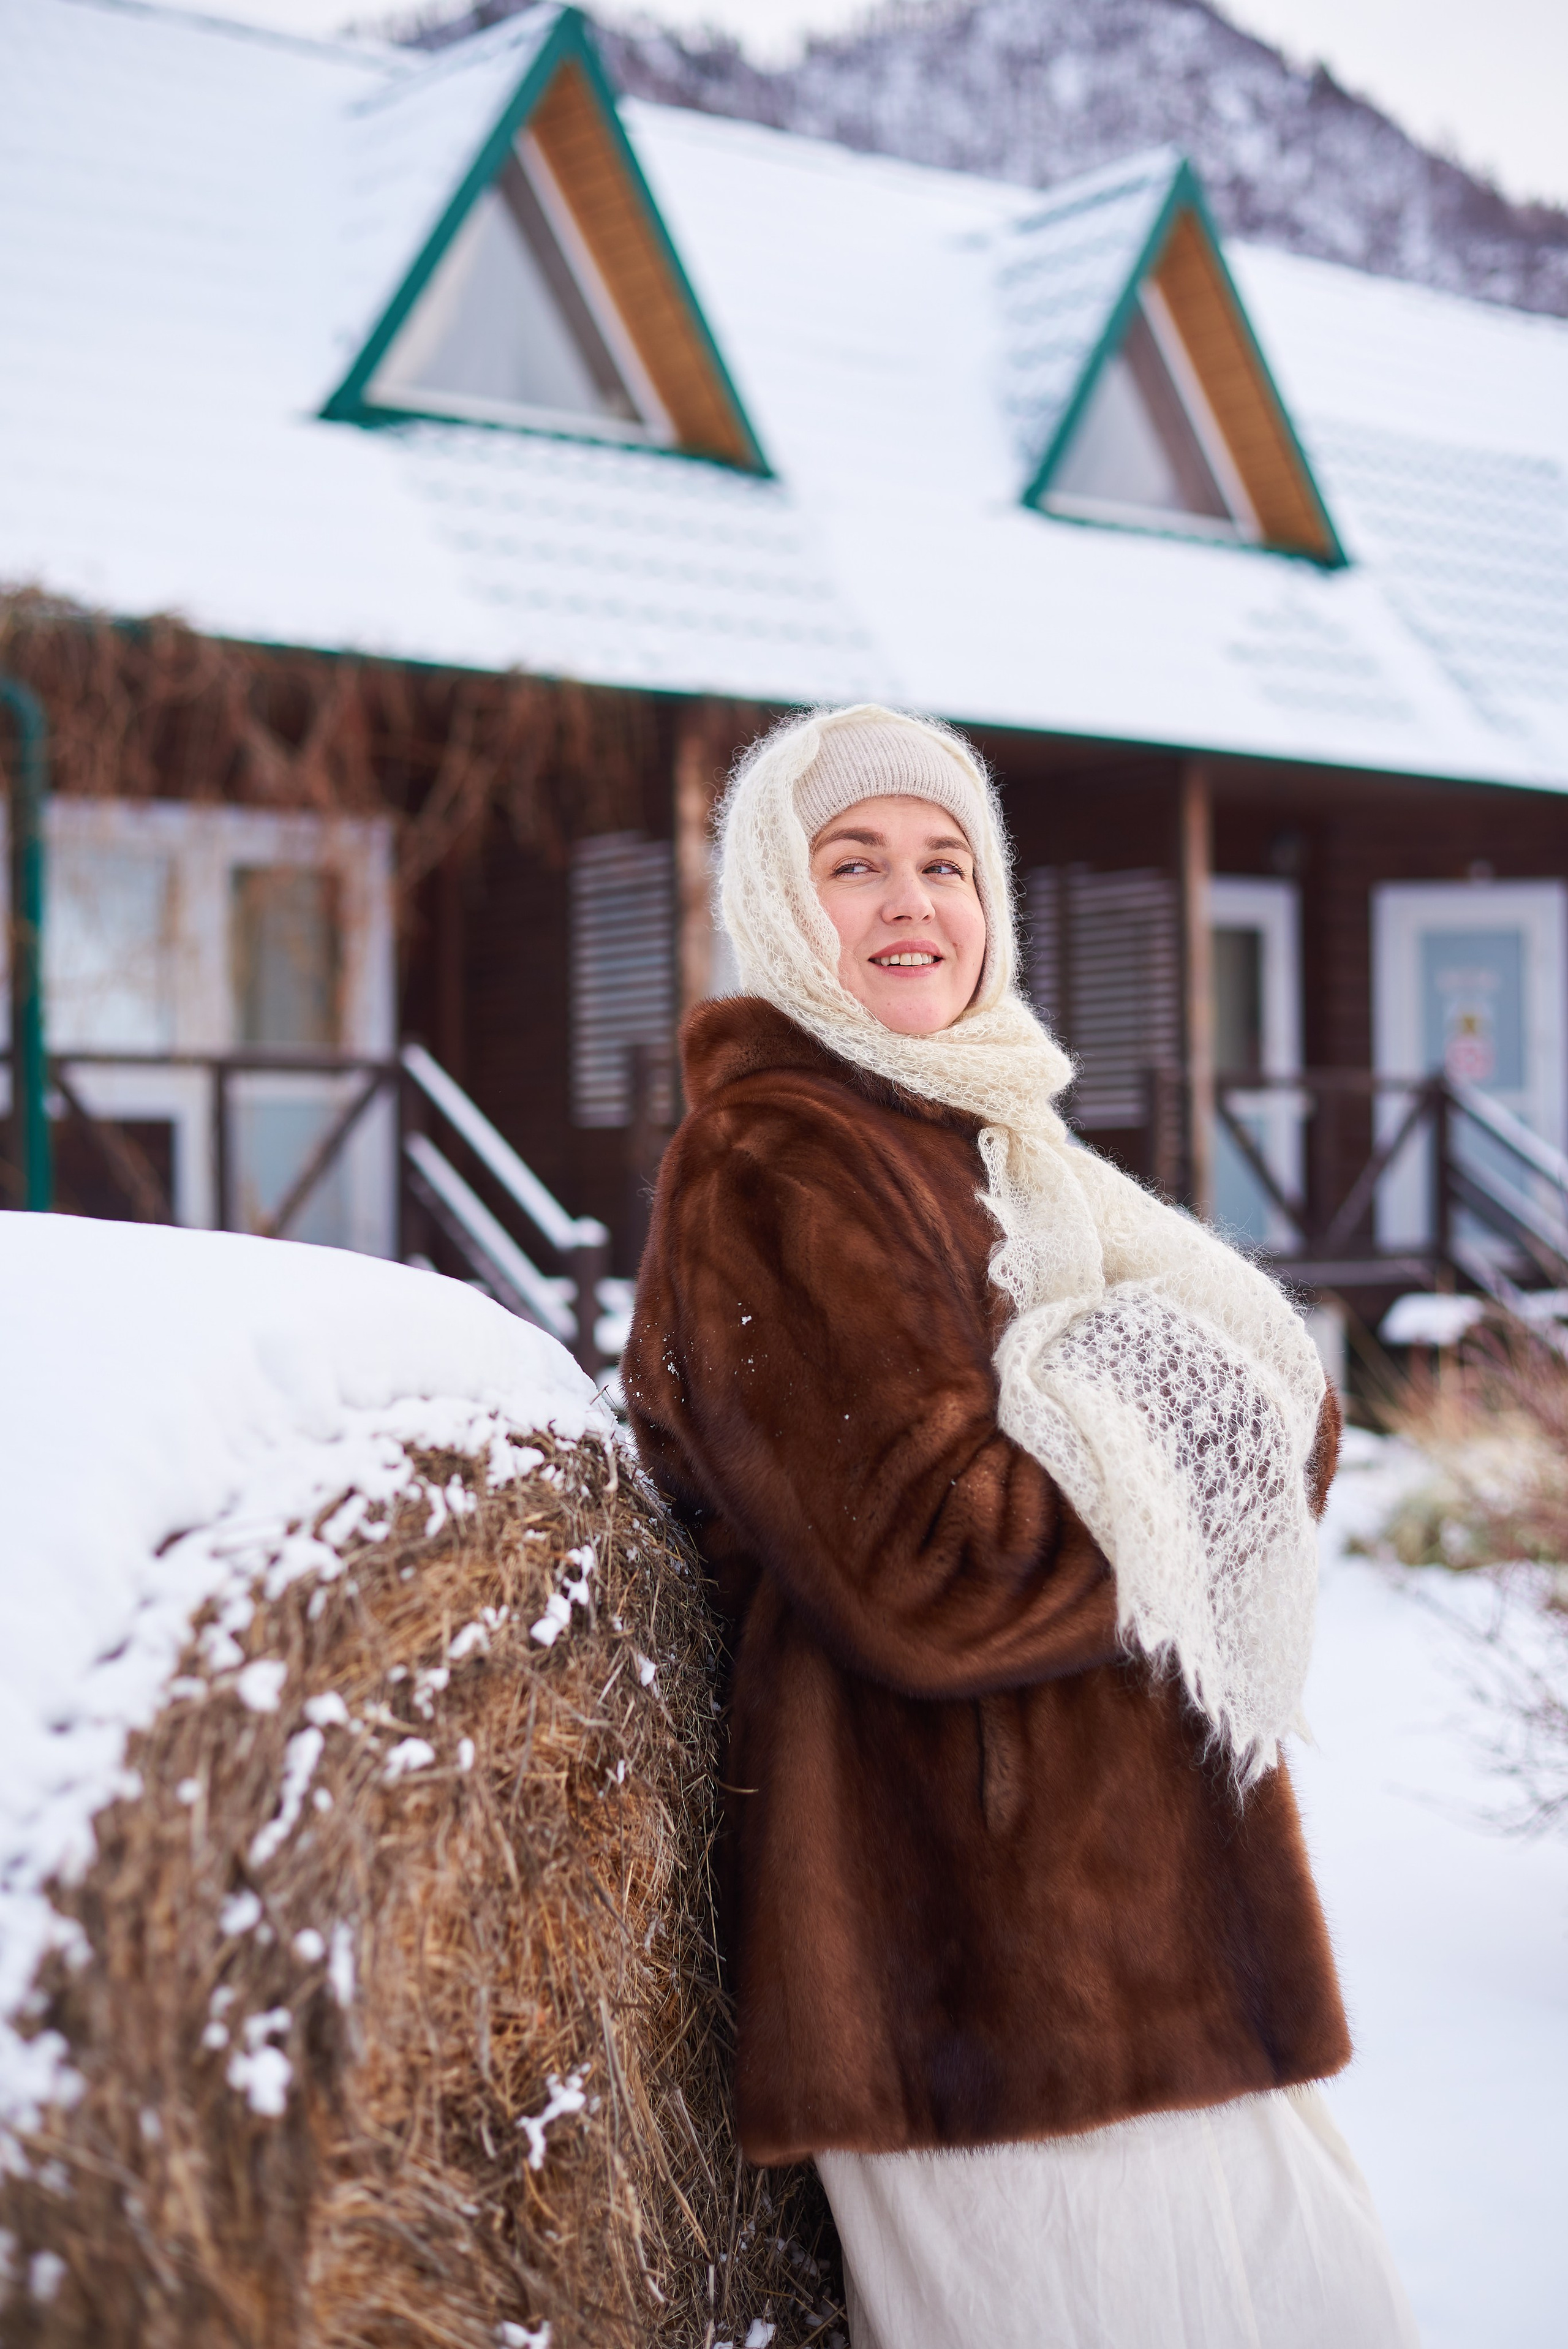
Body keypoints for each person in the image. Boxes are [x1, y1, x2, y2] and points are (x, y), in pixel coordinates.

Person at [624, 704, 1419, 2348]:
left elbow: (1290, 1421)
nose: (913, 902)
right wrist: (1162, 1391)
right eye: (855, 864)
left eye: (948, 863)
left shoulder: (1004, 1142)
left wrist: (1149, 1392)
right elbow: (934, 1565)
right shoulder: (777, 1159)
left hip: (1162, 1921)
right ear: (777, 900)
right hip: (968, 1966)